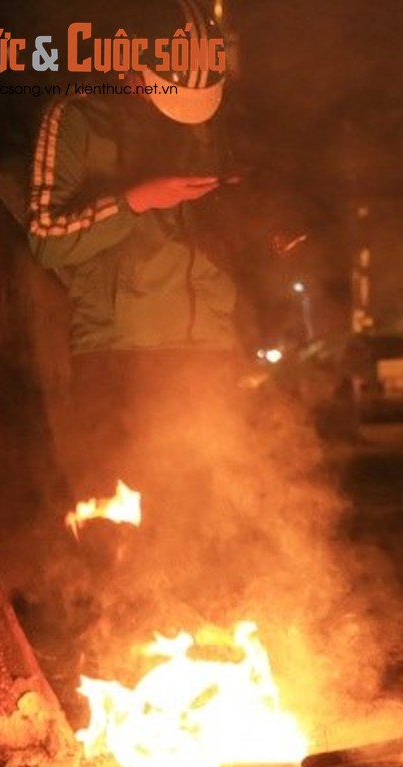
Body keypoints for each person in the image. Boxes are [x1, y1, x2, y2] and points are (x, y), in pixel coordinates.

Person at [27, 0, 238, 512]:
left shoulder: (199, 125)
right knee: (126, 531)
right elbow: (46, 236)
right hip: (120, 353)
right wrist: (136, 199)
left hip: (208, 348)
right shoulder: (74, 116)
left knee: (213, 526)